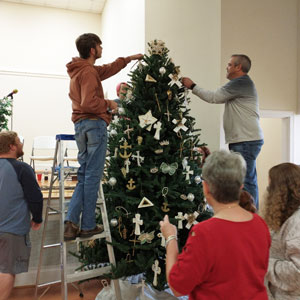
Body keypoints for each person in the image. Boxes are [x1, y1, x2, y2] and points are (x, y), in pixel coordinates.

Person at [160, 150, 270, 300]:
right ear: (241, 186)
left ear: (206, 188)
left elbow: (178, 287)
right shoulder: (260, 224)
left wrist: (170, 238)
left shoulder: (204, 233)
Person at [64, 33, 143, 240]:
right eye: (100, 46)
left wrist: (128, 59)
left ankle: (71, 222)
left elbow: (107, 69)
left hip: (81, 126)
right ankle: (88, 225)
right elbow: (88, 103)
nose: (102, 49)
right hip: (94, 124)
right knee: (91, 177)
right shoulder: (88, 72)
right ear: (92, 50)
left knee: (84, 175)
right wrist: (109, 104)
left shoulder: (81, 69)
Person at [182, 54, 264, 209]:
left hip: (245, 140)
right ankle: (249, 212)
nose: (226, 68)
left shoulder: (240, 82)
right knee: (248, 178)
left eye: (229, 64)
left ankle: (249, 215)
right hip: (246, 139)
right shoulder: (242, 84)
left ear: (238, 67)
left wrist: (192, 86)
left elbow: (214, 97)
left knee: (245, 179)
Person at [0, 131, 43, 299]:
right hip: (11, 231)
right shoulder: (21, 168)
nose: (21, 144)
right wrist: (37, 218)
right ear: (12, 146)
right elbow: (35, 197)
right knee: (7, 270)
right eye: (19, 141)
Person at [263, 163, 300, 300]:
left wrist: (263, 263)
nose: (267, 191)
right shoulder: (287, 217)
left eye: (270, 186)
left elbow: (297, 273)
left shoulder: (296, 223)